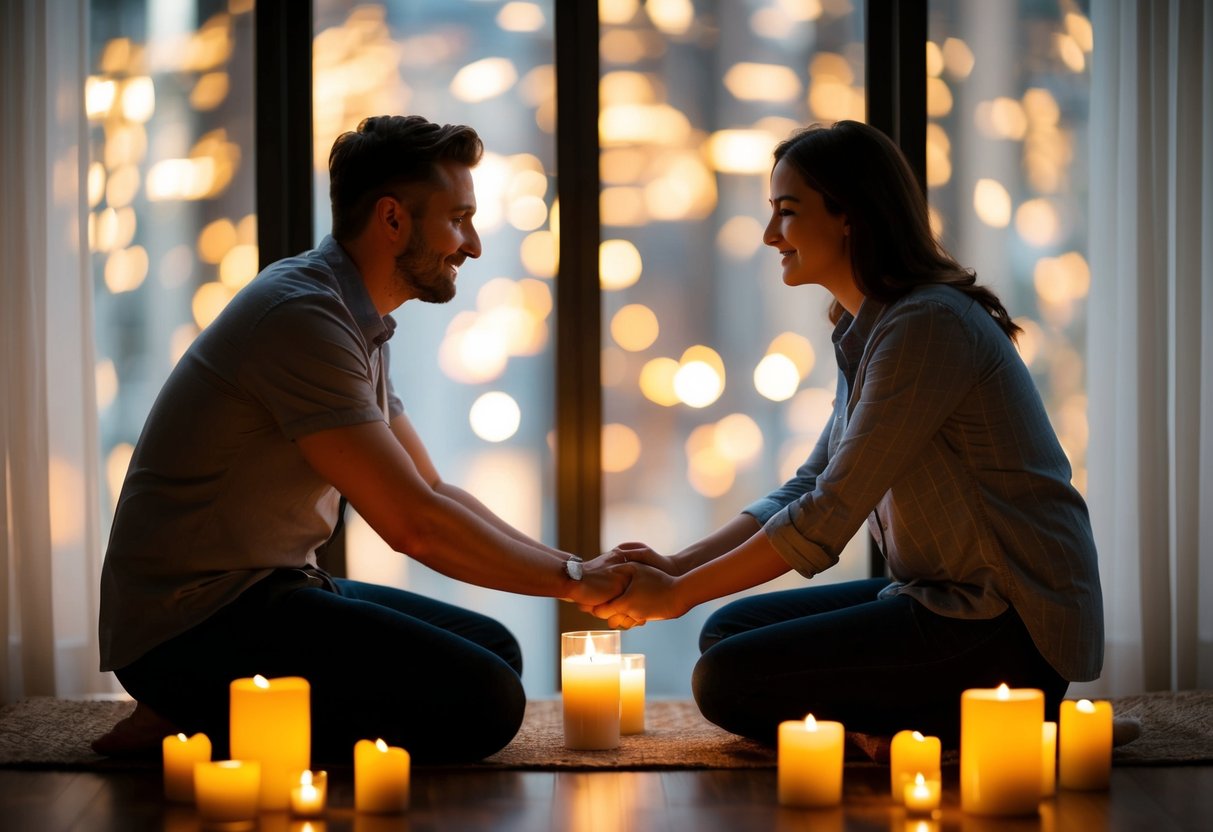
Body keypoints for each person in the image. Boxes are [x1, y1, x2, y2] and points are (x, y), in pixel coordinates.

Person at [94, 115, 624, 764]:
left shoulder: (351, 317)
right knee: (487, 701)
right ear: (393, 219)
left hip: (275, 586)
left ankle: (206, 710)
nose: (474, 245)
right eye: (458, 219)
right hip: (194, 623)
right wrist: (576, 581)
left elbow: (430, 486)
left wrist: (575, 568)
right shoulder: (303, 319)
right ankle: (199, 709)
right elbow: (413, 526)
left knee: (496, 651)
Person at [591, 120, 1104, 746]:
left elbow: (829, 514)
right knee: (725, 633)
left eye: (786, 211)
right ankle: (895, 729)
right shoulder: (873, 324)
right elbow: (808, 483)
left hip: (1003, 629)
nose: (769, 234)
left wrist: (676, 594)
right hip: (931, 597)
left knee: (727, 677)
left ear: (849, 217)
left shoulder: (927, 327)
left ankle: (974, 729)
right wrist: (678, 567)